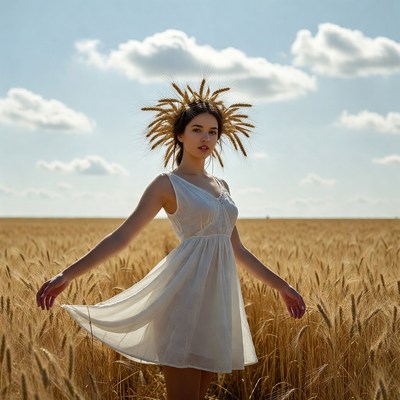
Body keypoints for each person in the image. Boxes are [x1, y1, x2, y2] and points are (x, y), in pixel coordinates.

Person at [36, 79, 306, 400]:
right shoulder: (167, 184)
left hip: (216, 305)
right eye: (196, 130)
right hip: (183, 301)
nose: (206, 138)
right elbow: (123, 236)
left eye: (212, 131)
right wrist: (68, 273)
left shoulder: (222, 186)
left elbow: (237, 249)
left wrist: (283, 286)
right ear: (180, 134)